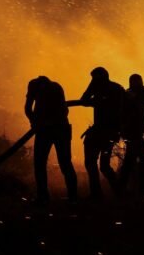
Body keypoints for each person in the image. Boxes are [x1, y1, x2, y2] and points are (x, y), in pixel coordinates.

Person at [24, 75, 78, 205]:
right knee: (48, 163)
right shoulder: (44, 86)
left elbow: (63, 111)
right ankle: (48, 196)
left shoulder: (52, 87)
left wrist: (40, 122)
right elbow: (28, 108)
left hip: (57, 128)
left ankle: (68, 197)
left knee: (57, 163)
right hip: (52, 129)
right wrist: (34, 121)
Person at [78, 67, 124, 199]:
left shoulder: (105, 89)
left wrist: (92, 88)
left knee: (91, 163)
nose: (92, 80)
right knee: (103, 166)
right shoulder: (117, 88)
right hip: (109, 133)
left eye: (94, 78)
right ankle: (118, 193)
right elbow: (85, 101)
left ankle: (98, 194)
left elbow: (83, 100)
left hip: (102, 132)